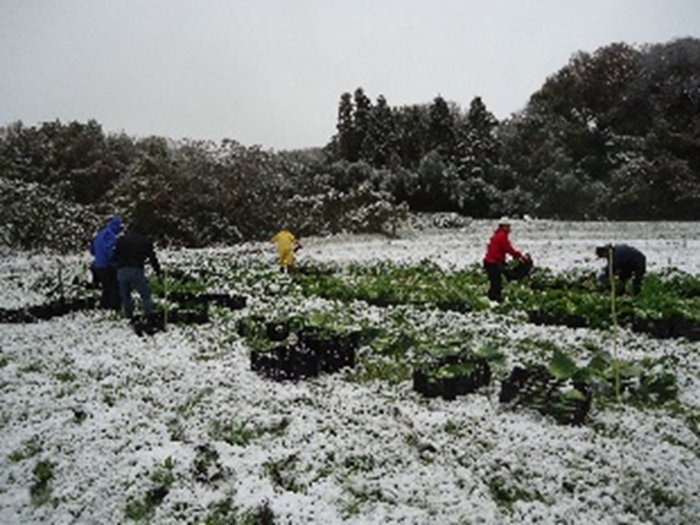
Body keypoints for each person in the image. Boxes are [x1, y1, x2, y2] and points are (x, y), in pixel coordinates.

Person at [114, 222, 163, 320]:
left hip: (122, 270)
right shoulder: (145, 241)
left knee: (126, 296)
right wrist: (158, 271)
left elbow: (115, 255)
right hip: (136, 269)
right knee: (145, 295)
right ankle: (149, 315)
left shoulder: (121, 239)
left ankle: (128, 316)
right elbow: (152, 258)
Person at [483, 217, 530, 303]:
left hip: (491, 262)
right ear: (503, 227)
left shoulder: (497, 235)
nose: (509, 229)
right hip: (493, 262)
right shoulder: (502, 236)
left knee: (496, 282)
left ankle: (492, 299)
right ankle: (494, 299)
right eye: (508, 226)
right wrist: (519, 256)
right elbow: (508, 248)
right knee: (496, 283)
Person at [89, 216, 123, 310]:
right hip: (106, 265)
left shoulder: (100, 234)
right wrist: (115, 261)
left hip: (97, 265)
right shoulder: (110, 235)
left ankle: (104, 306)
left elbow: (92, 250)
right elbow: (110, 250)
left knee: (106, 287)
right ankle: (115, 308)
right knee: (114, 287)